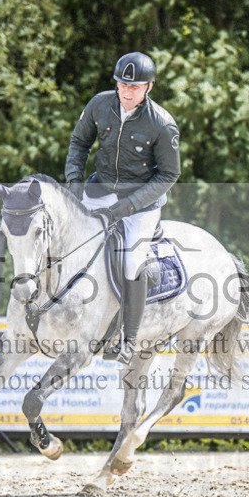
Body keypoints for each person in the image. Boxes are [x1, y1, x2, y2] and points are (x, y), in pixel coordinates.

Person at [64, 51, 181, 364]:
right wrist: (74, 183)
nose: (127, 92)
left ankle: (129, 339)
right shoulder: (99, 105)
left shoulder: (162, 123)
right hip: (100, 187)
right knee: (64, 236)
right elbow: (79, 144)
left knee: (132, 261)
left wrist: (129, 206)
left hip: (141, 202)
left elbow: (169, 174)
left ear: (149, 88)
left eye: (135, 86)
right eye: (122, 84)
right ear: (116, 83)